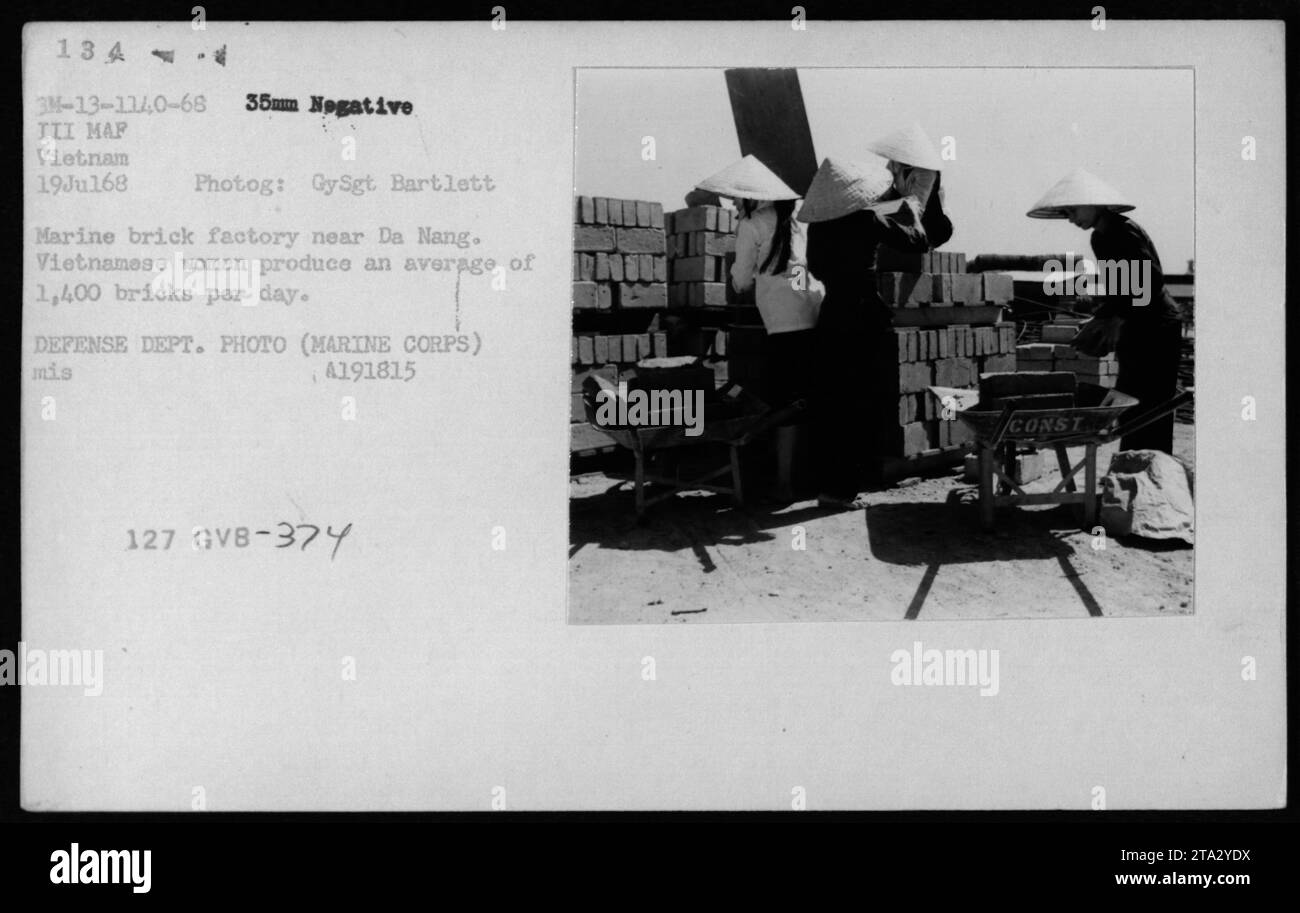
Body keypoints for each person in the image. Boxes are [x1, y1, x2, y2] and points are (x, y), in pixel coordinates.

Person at [798, 157, 931, 510]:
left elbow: (818, 267)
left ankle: (830, 487)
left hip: (832, 315)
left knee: (833, 401)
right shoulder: (869, 216)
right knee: (860, 402)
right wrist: (909, 203)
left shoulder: (818, 227)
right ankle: (846, 489)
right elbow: (918, 242)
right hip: (864, 314)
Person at [1027, 169, 1183, 453]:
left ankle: (1153, 469)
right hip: (1136, 325)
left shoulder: (1125, 231)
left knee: (1153, 403)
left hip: (1158, 325)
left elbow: (1148, 280)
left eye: (1073, 210)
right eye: (1066, 214)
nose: (1072, 219)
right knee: (1129, 399)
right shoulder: (1099, 239)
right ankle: (1132, 466)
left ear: (1093, 203)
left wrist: (1116, 318)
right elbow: (1119, 288)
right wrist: (1100, 318)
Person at [695, 155, 816, 502]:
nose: (733, 202)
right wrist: (791, 292)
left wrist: (742, 278)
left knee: (784, 400)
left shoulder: (751, 225)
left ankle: (778, 478)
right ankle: (796, 476)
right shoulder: (791, 224)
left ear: (752, 196)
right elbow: (799, 273)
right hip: (807, 313)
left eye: (736, 196)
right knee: (800, 398)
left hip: (780, 323)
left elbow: (742, 280)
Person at [866, 122, 953, 249]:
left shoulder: (927, 172)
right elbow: (884, 185)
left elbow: (918, 207)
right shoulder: (895, 163)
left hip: (930, 219)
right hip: (905, 208)